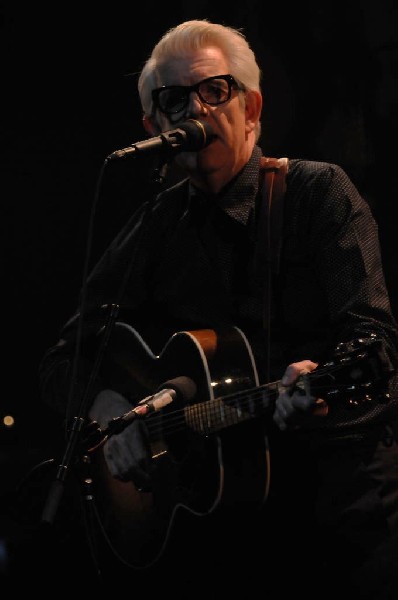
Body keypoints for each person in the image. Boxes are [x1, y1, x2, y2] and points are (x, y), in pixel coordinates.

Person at [34, 19, 398, 598]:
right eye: (173, 101)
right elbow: (63, 361)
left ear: (251, 108)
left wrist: (318, 379)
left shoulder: (316, 193)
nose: (194, 111)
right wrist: (113, 414)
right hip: (216, 535)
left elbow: (374, 339)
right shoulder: (154, 228)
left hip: (339, 516)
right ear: (154, 126)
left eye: (214, 91)